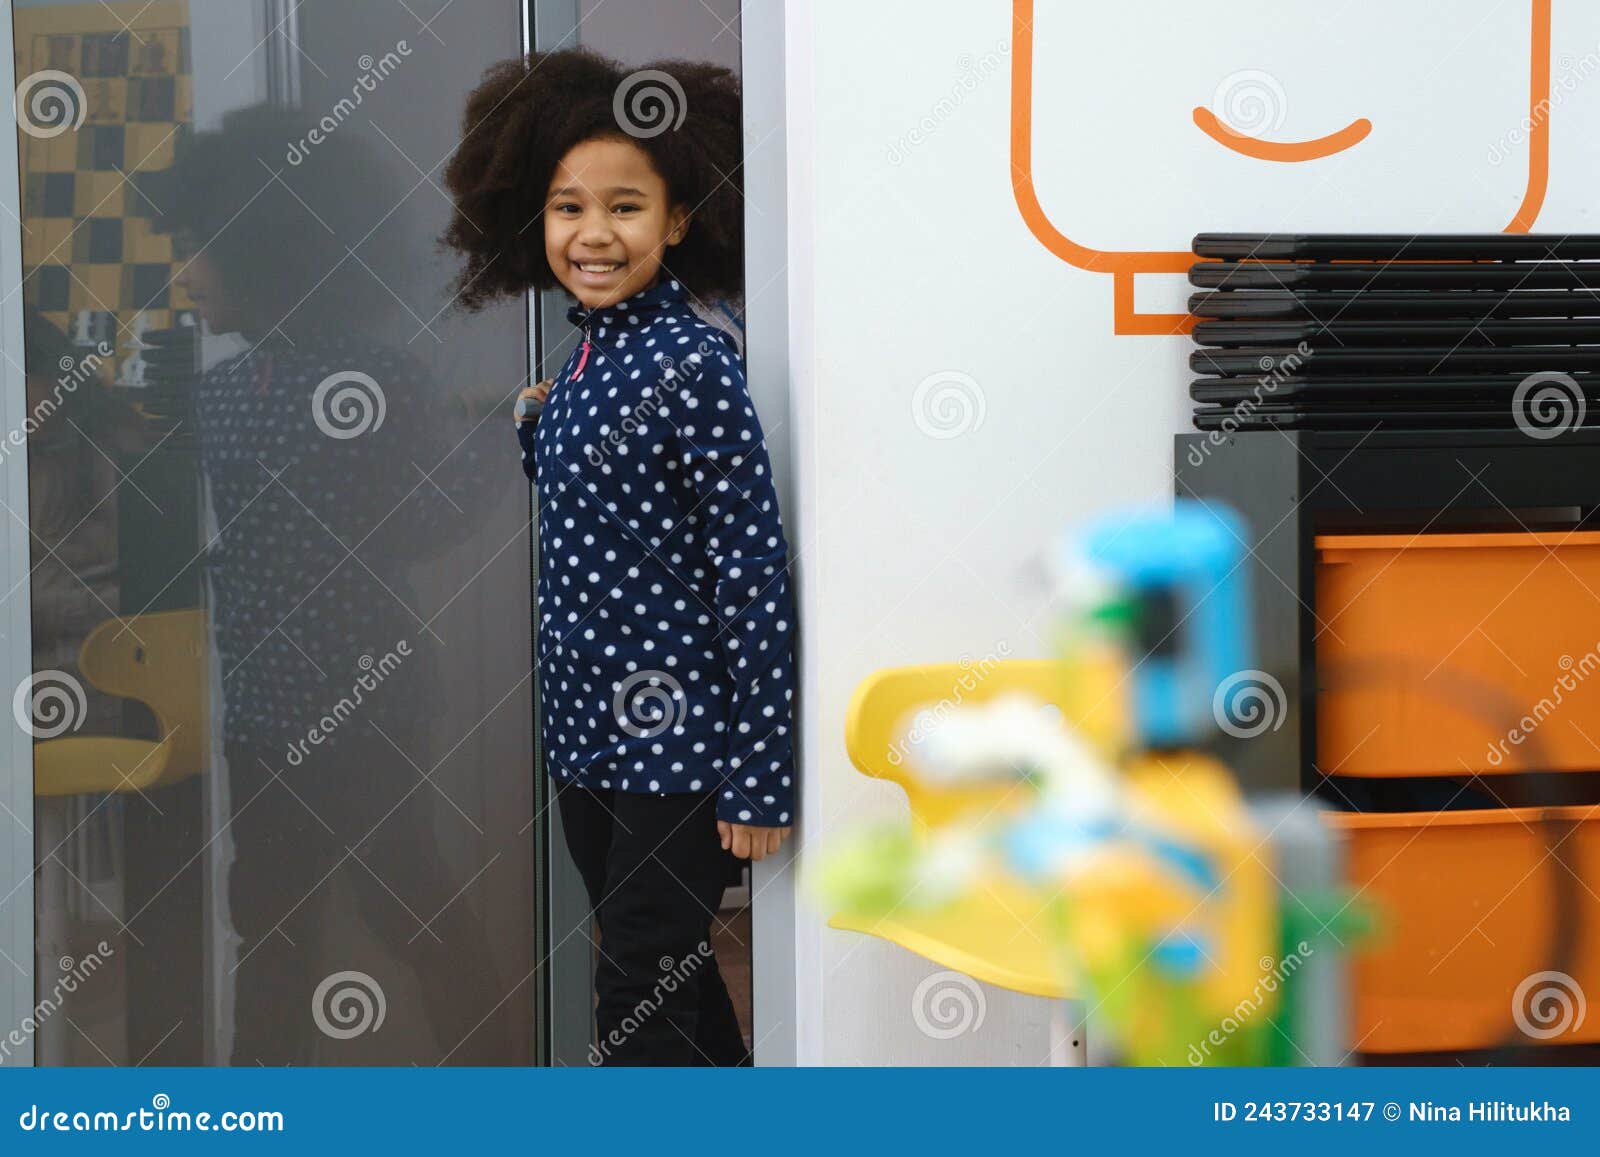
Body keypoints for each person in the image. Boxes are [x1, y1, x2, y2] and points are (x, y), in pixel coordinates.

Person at [441, 49, 798, 1065]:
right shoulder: (588, 352)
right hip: (586, 731)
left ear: (678, 219)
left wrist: (761, 772)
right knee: (666, 976)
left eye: (626, 207)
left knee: (636, 983)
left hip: (676, 743)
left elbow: (750, 567)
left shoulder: (692, 361)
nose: (593, 234)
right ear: (533, 219)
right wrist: (531, 419)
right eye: (566, 208)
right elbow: (603, 510)